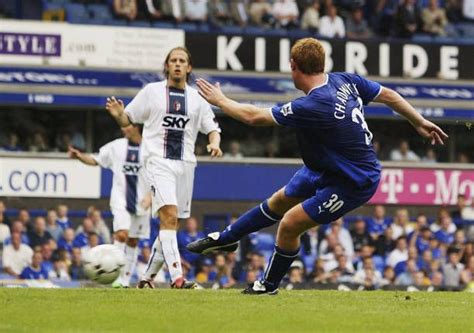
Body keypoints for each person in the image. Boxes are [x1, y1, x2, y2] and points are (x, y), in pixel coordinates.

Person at [189, 37, 448, 295]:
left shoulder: (314, 104)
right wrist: (419, 121)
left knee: (290, 224)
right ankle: (229, 238)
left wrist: (221, 100)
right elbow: (389, 95)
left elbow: (255, 117)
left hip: (353, 181)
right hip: (325, 167)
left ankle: (268, 286)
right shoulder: (345, 79)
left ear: (294, 66)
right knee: (279, 201)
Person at [105, 46, 223, 289]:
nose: (177, 64)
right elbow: (129, 118)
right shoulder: (151, 92)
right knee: (168, 218)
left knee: (172, 224)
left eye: (182, 61)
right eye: (173, 61)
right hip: (158, 163)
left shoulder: (197, 98)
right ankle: (178, 279)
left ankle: (146, 278)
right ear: (167, 66)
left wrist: (214, 143)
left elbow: (212, 127)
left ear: (188, 68)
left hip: (186, 165)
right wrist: (118, 115)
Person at [68, 124, 151, 288]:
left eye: (128, 126)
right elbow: (96, 159)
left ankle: (124, 281)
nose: (124, 129)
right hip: (121, 200)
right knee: (122, 234)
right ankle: (113, 274)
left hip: (143, 203)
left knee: (133, 241)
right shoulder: (116, 146)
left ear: (137, 127)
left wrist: (151, 196)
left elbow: (160, 175)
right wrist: (79, 156)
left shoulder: (151, 148)